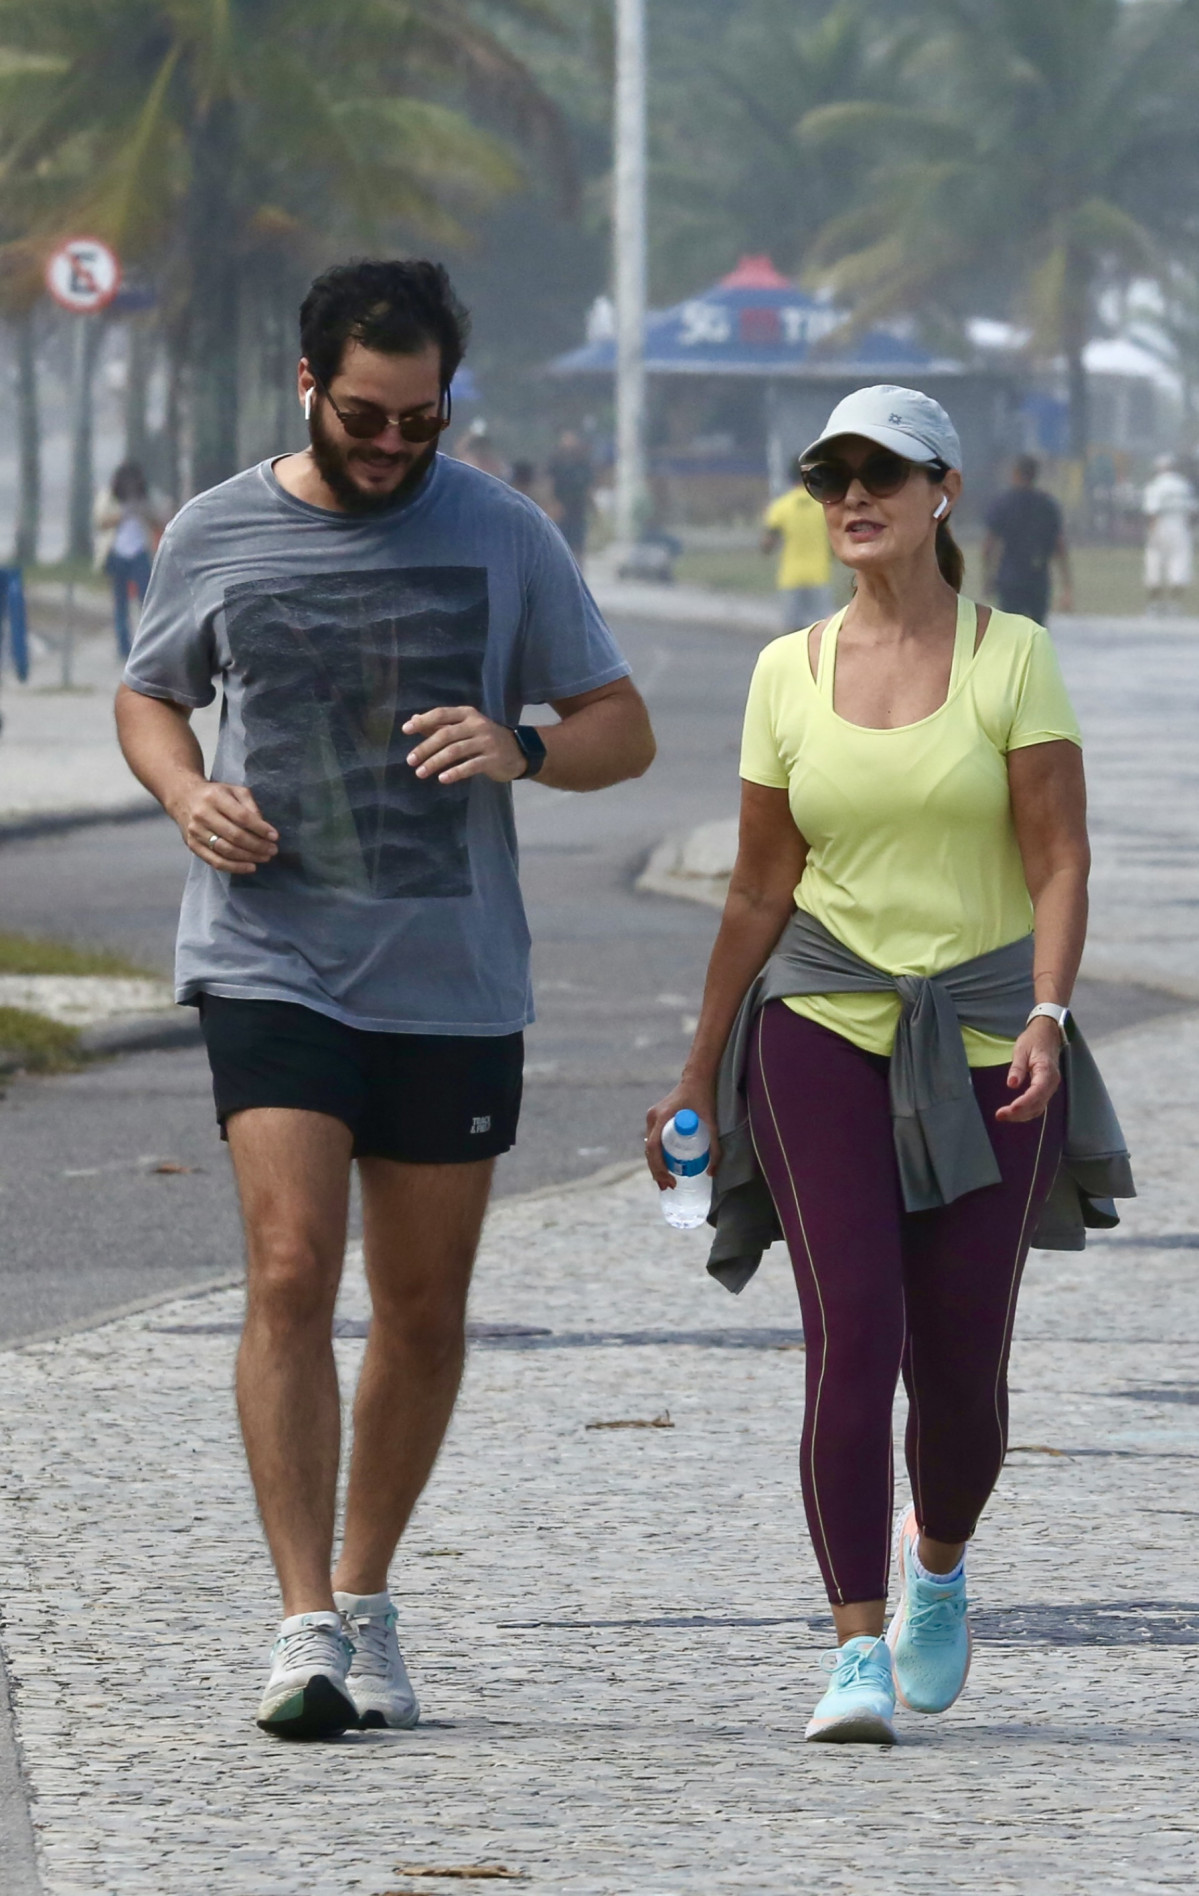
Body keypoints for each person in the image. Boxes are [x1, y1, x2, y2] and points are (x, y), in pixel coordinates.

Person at [116, 258, 655, 1741]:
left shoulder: (504, 531)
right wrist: (183, 791)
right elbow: (148, 691)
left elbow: (622, 728)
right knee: (290, 1270)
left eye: (420, 420)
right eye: (367, 415)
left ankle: (363, 1596)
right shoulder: (219, 529)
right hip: (269, 954)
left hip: (452, 976)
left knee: (420, 1313)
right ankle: (300, 1628)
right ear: (309, 385)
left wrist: (524, 749)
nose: (393, 446)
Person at [646, 384, 1130, 1745]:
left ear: (941, 494)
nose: (851, 494)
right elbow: (753, 891)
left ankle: (934, 1565)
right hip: (818, 1023)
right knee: (849, 1335)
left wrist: (1044, 1011)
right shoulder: (779, 673)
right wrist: (696, 1074)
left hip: (986, 1031)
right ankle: (851, 1642)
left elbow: (1057, 858)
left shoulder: (1009, 657)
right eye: (829, 475)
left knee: (960, 1370)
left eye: (881, 471)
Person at [982, 455, 1072, 625]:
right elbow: (1059, 546)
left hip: (1009, 580)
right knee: (1037, 633)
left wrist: (988, 577)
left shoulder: (1003, 503)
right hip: (1038, 580)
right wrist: (1067, 586)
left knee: (1010, 634)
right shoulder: (1047, 505)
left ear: (1015, 473)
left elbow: (988, 546)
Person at [93, 459, 166, 657]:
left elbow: (163, 518)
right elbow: (100, 521)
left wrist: (144, 511)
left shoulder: (148, 497)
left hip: (141, 553)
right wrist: (123, 514)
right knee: (120, 604)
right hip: (116, 553)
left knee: (147, 601)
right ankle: (123, 648)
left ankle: (148, 644)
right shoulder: (108, 496)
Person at [761, 455, 833, 629]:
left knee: (791, 634)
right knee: (824, 631)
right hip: (819, 575)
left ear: (789, 477)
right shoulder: (824, 505)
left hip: (791, 577)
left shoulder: (781, 507)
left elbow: (767, 545)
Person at [1142, 454, 1196, 614]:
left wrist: (1152, 533)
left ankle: (1154, 606)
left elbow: (1152, 511)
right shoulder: (1184, 485)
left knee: (1154, 562)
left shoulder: (1155, 485)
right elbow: (1193, 511)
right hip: (1180, 526)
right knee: (1179, 564)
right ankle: (1175, 605)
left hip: (1160, 525)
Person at [547, 430, 594, 560]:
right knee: (560, 540)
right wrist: (552, 503)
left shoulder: (583, 462)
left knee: (578, 542)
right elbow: (549, 482)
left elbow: (588, 486)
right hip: (560, 507)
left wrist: (592, 506)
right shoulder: (556, 461)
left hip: (578, 508)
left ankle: (578, 571)